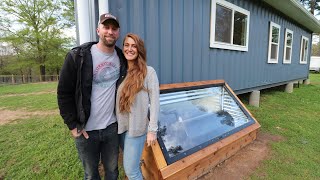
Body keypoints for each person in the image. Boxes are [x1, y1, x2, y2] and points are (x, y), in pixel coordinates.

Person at [57, 13, 127, 180]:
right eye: (106, 27)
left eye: (114, 28)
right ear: (98, 30)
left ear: (118, 33)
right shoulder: (78, 56)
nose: (110, 32)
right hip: (86, 130)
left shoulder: (122, 58)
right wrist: (73, 125)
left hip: (111, 127)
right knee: (91, 174)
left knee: (112, 171)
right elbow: (63, 93)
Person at [116, 33, 160, 180]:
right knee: (132, 166)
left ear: (139, 49)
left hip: (137, 129)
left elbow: (155, 102)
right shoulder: (120, 71)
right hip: (120, 127)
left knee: (131, 171)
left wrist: (152, 130)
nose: (130, 49)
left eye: (134, 46)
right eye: (127, 45)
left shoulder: (149, 72)